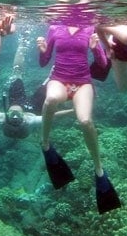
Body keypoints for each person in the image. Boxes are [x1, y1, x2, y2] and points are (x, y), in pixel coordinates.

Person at [37, 23, 121, 214]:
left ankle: (99, 170)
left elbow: (102, 64)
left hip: (83, 81)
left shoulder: (90, 28)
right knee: (50, 100)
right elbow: (44, 62)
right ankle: (45, 143)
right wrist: (42, 50)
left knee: (85, 121)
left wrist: (95, 48)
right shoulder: (54, 28)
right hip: (59, 79)